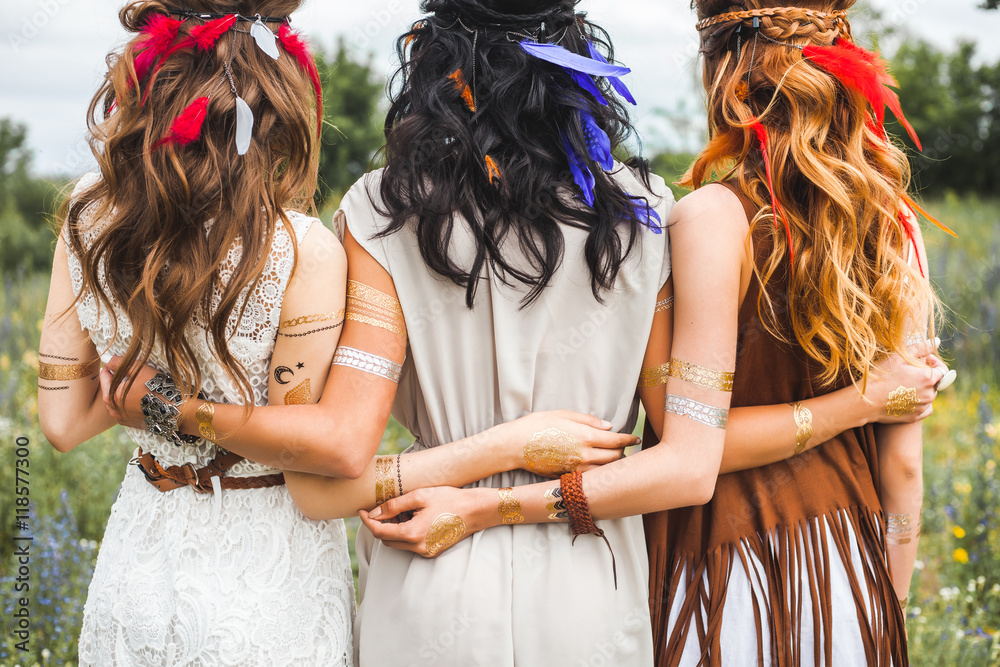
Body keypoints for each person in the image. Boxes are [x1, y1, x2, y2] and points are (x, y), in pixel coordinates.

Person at [101, 1, 943, 664]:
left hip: (424, 594)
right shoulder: (647, 216)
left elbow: (327, 481)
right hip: (593, 592)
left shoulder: (377, 214)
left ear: (433, 65)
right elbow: (686, 454)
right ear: (577, 63)